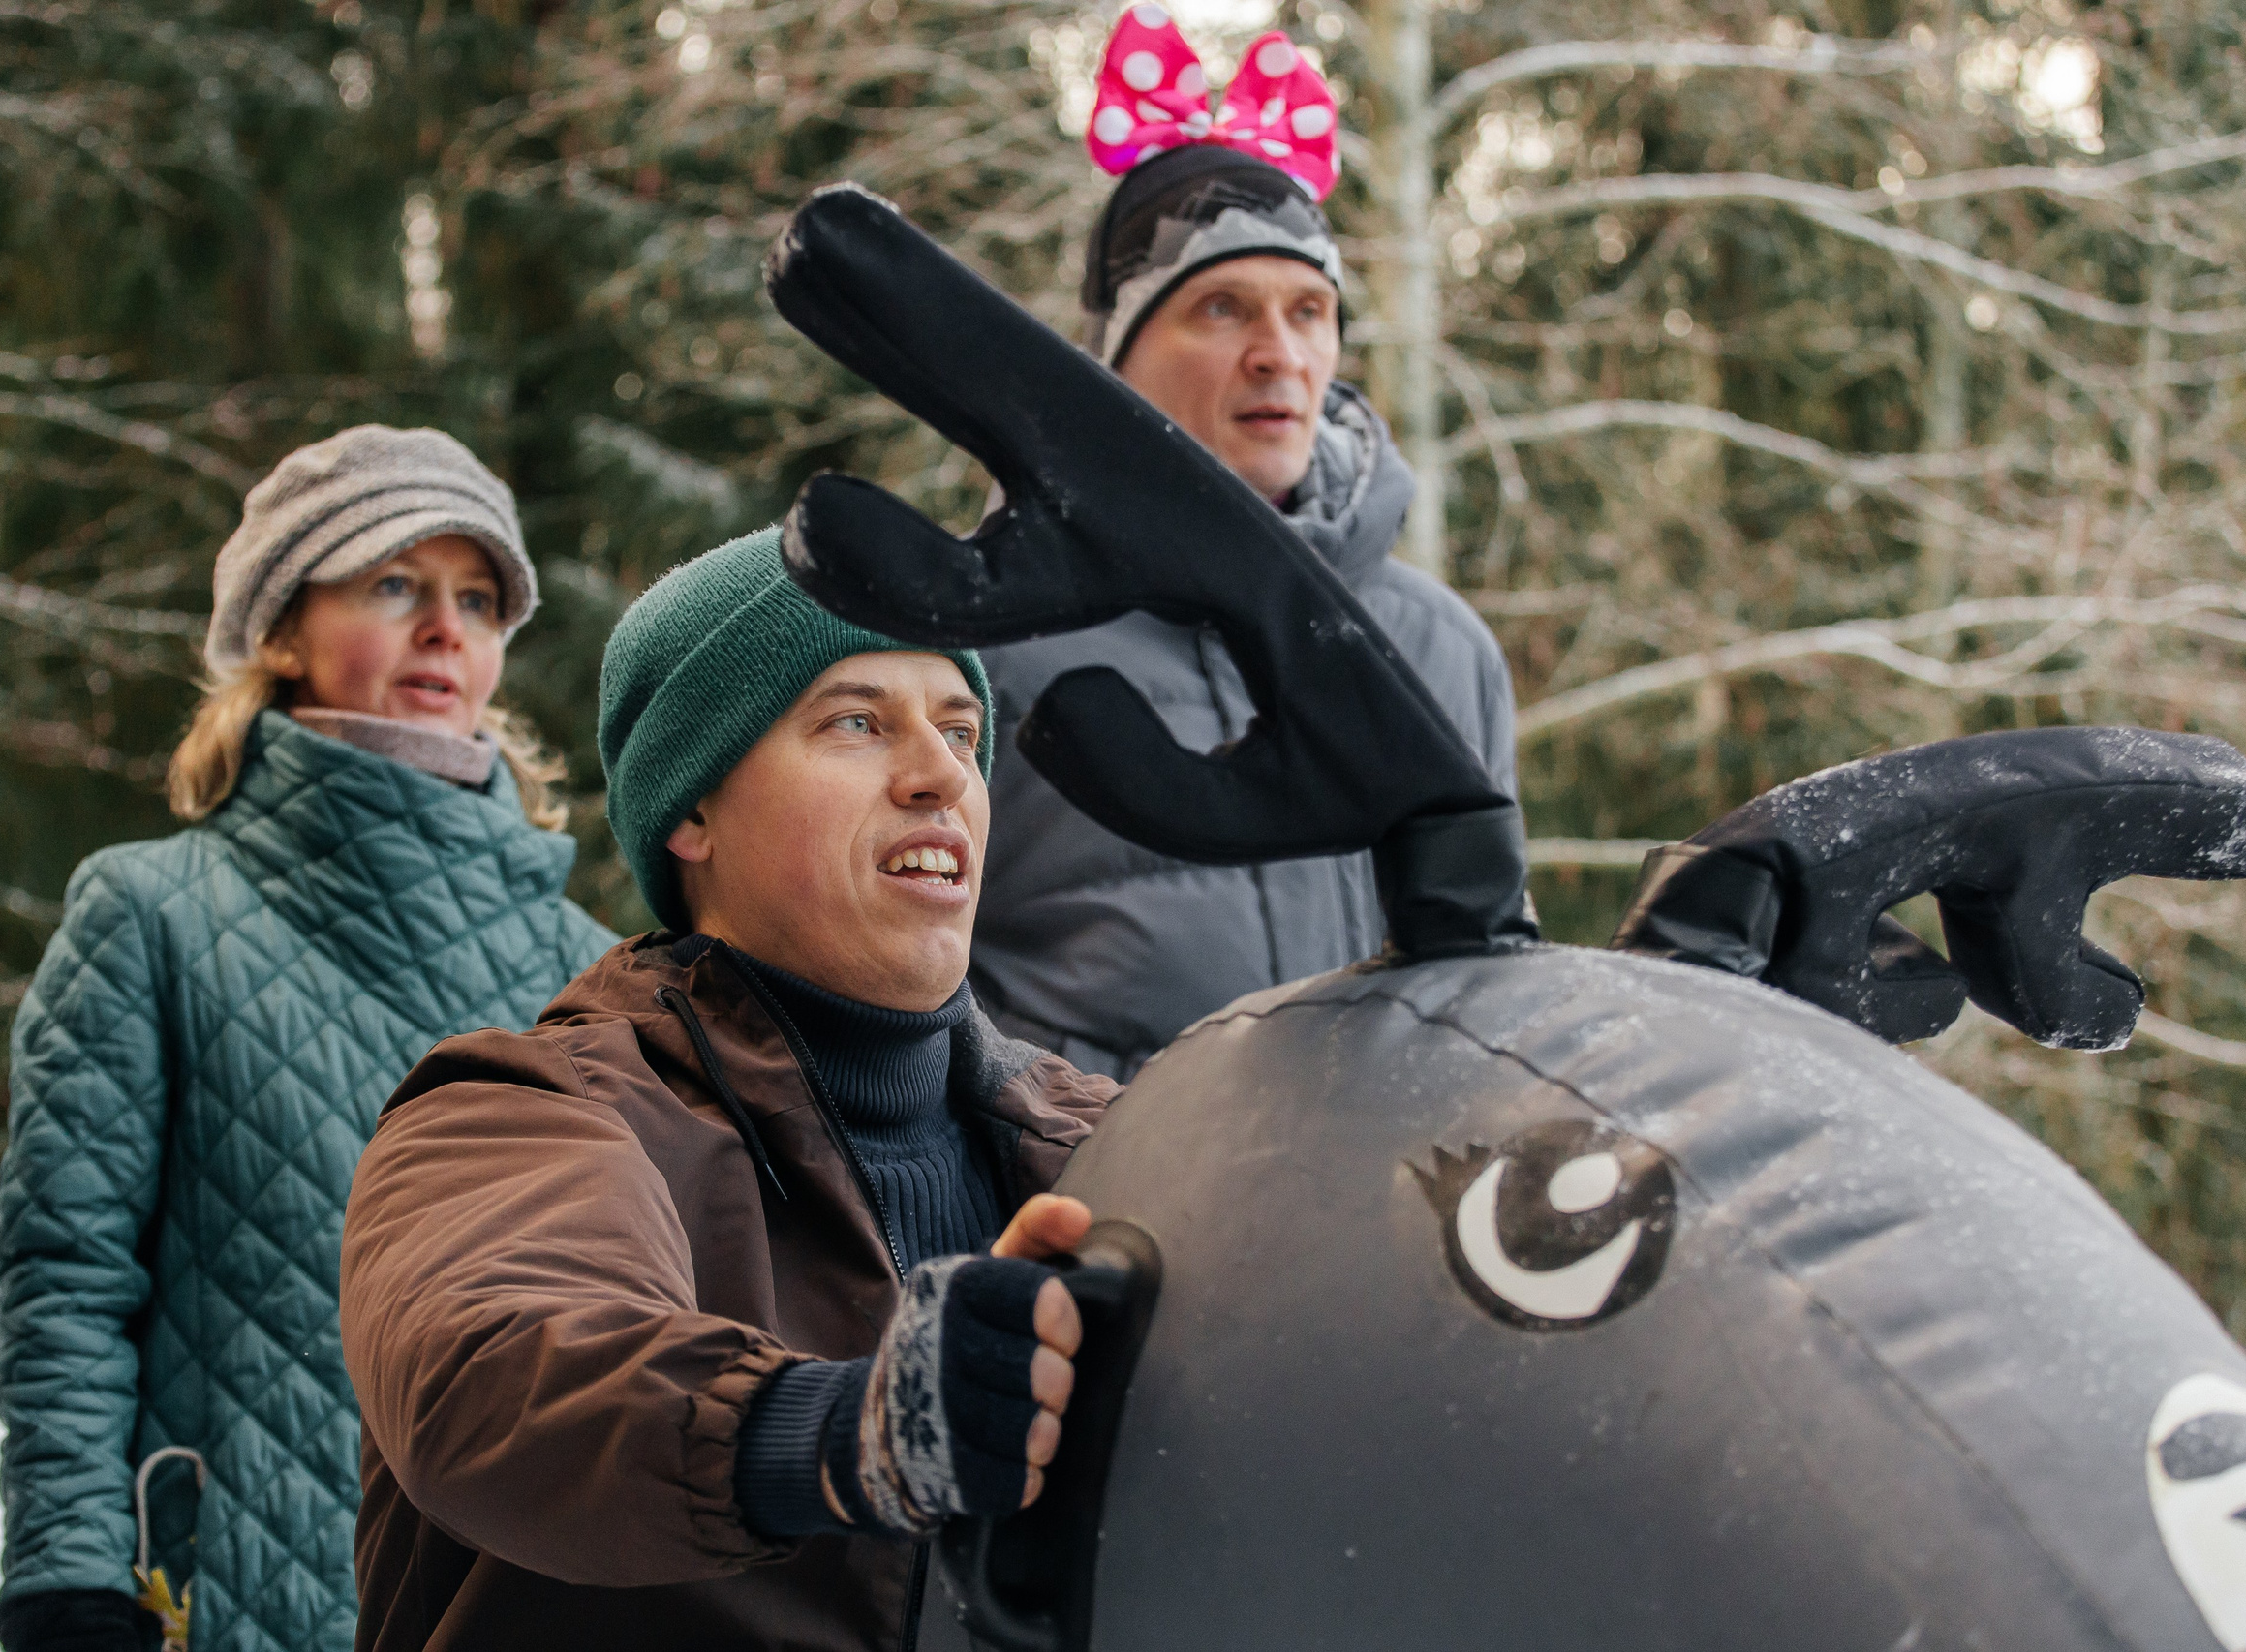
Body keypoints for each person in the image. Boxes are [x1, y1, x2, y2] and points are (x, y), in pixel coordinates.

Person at [338, 528, 1116, 1651]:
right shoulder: (524, 1104)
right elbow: (497, 1373)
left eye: (959, 729)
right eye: (856, 720)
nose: (943, 771)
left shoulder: (1116, 1139)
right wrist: (851, 1431)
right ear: (690, 812)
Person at [0, 426, 619, 1652]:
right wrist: (70, 1579)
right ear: (281, 626)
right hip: (209, 1602)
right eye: (394, 582)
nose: (447, 627)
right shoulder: (150, 911)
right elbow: (65, 1279)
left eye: (477, 598)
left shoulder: (584, 968)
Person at [970, 14, 1520, 1079]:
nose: (1280, 354)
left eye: (1309, 310)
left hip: (1383, 1210)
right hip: (1081, 1215)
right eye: (1221, 308)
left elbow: (1496, 984)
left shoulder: (1443, 645)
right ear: (1114, 360)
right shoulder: (982, 644)